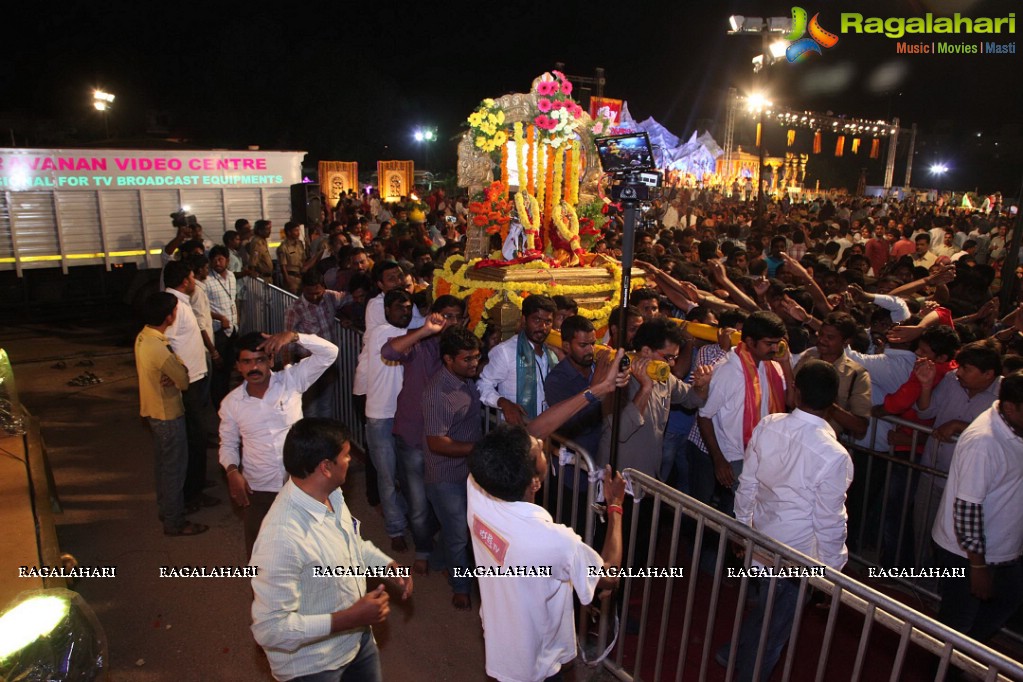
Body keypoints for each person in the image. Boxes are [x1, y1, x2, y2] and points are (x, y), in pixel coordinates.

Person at [251, 418, 412, 682]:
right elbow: (270, 629)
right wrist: (349, 618)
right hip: (313, 667)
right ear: (325, 467)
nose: (350, 461)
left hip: (356, 642)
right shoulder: (282, 538)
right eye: (346, 456)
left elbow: (349, 543)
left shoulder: (331, 494)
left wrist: (386, 565)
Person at [723, 360, 854, 682]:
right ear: (833, 402)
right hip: (797, 558)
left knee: (765, 612)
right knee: (775, 633)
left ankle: (732, 654)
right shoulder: (834, 455)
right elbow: (830, 522)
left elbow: (748, 484)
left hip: (762, 539)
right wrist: (832, 573)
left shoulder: (769, 424)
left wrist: (743, 529)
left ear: (796, 391)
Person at [467, 424, 627, 682]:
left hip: (499, 639)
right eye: (538, 451)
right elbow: (609, 575)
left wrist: (594, 393)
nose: (542, 443)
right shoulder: (553, 541)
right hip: (535, 662)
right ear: (534, 482)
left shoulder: (477, 489)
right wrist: (615, 507)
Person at [219, 329, 338, 558]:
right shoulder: (231, 404)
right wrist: (232, 471)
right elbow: (228, 444)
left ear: (271, 360)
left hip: (301, 483)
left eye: (260, 360)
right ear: (238, 366)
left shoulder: (291, 380)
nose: (254, 368)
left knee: (311, 551)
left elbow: (330, 353)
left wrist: (295, 337)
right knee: (262, 556)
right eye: (247, 362)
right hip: (258, 489)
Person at [931, 371, 1023, 644]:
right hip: (968, 555)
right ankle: (948, 668)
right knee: (956, 626)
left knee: (1006, 603)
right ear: (1010, 407)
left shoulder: (1013, 426)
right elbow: (968, 508)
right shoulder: (984, 442)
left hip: (1003, 548)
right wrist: (978, 568)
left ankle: (966, 659)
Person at [382, 295, 467, 575]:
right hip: (414, 436)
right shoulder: (419, 343)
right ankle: (423, 549)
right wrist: (425, 330)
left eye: (457, 317)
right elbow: (389, 352)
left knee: (451, 504)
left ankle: (447, 554)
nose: (451, 322)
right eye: (446, 316)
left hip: (448, 443)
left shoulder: (467, 351)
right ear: (434, 315)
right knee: (418, 504)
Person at [697, 311, 792, 516]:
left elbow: (791, 401)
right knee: (741, 513)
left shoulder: (773, 366)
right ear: (750, 341)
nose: (775, 348)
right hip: (736, 457)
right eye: (769, 343)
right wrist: (719, 459)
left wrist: (786, 363)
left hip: (764, 454)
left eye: (778, 343)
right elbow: (704, 416)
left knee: (749, 513)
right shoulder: (728, 371)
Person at [134, 292, 208, 537]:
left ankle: (166, 510)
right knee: (175, 469)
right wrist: (180, 369)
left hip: (153, 411)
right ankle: (175, 521)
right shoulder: (160, 347)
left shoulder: (144, 336)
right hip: (167, 413)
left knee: (164, 466)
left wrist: (175, 372)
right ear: (169, 316)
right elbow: (184, 380)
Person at [359, 289, 416, 552]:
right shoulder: (380, 332)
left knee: (409, 474)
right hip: (381, 416)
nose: (405, 312)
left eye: (408, 308)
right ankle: (395, 528)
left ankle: (412, 522)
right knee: (387, 475)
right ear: (387, 311)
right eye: (399, 308)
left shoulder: (412, 331)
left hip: (405, 415)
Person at [163, 260, 219, 514]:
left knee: (196, 436)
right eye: (192, 276)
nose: (195, 280)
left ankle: (196, 482)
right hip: (188, 383)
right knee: (194, 439)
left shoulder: (180, 304)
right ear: (185, 281)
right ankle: (192, 493)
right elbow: (167, 343)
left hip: (194, 380)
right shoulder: (174, 306)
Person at [478, 295, 558, 424]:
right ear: (524, 320)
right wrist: (503, 403)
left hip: (547, 427)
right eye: (537, 320)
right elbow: (483, 384)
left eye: (548, 322)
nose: (543, 327)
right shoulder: (505, 351)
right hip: (514, 430)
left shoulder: (552, 352)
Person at [792, 312, 872, 440]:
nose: (822, 340)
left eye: (830, 337)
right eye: (821, 334)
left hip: (825, 443)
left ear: (846, 342)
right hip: (793, 435)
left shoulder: (857, 375)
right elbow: (790, 398)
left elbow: (860, 427)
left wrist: (825, 402)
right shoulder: (807, 360)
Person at [284, 270, 347, 419]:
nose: (315, 297)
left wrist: (347, 316)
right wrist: (288, 371)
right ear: (303, 289)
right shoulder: (295, 309)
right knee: (310, 408)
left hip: (329, 364)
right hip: (306, 365)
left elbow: (351, 298)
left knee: (326, 405)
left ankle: (324, 439)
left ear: (323, 288)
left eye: (318, 292)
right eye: (310, 293)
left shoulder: (330, 297)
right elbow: (288, 342)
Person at [206, 245, 238, 408]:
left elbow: (233, 300)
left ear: (227, 260)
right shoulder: (207, 280)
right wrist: (219, 317)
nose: (217, 262)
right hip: (218, 331)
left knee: (228, 369)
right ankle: (219, 405)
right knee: (218, 372)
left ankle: (227, 402)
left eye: (220, 259)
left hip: (232, 330)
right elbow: (202, 308)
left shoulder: (232, 276)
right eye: (214, 259)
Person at [277, 221, 311, 295]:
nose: (298, 233)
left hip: (301, 277)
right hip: (291, 278)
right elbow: (283, 267)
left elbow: (304, 260)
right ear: (289, 232)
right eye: (295, 230)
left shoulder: (300, 244)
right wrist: (289, 283)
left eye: (298, 230)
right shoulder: (283, 247)